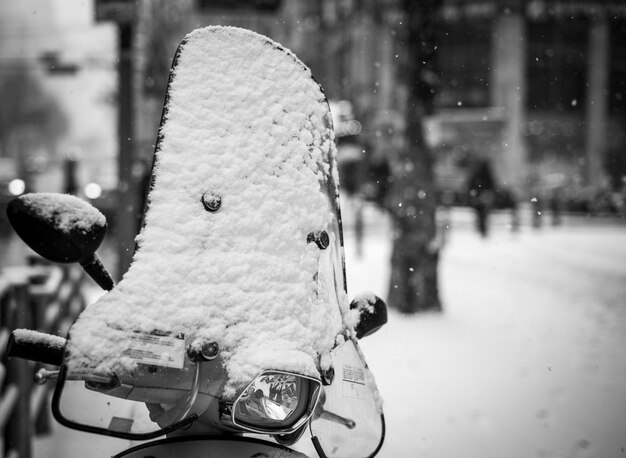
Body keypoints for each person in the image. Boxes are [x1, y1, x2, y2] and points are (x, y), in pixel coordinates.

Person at [467, 158, 496, 237]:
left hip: (479, 197)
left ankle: (481, 227)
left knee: (480, 213)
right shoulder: (488, 175)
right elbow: (492, 186)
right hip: (484, 198)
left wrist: (475, 194)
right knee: (484, 213)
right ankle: (482, 227)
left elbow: (471, 185)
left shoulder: (477, 174)